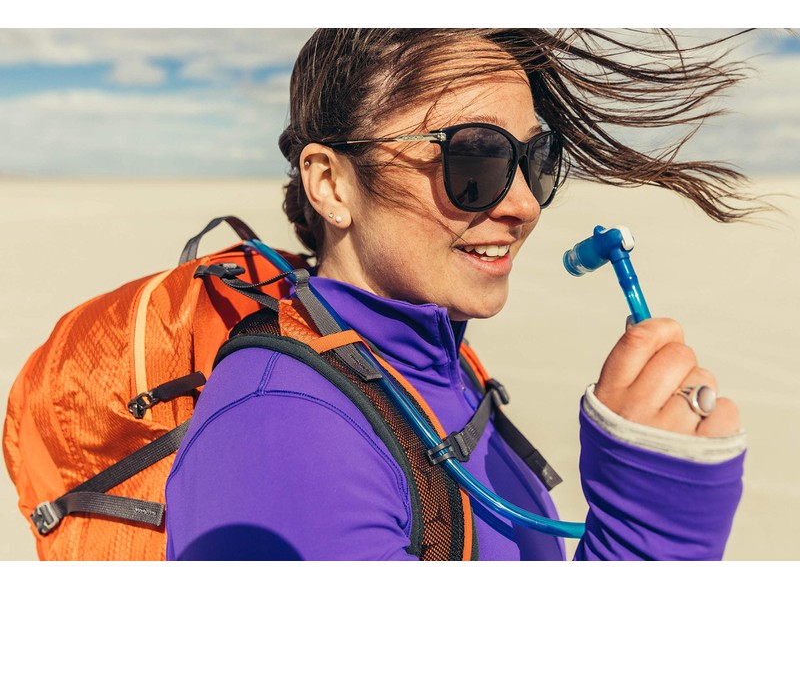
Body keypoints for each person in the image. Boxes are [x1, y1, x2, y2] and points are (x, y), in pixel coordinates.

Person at [164, 28, 755, 561]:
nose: (524, 205)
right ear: (332, 184)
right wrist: (645, 534)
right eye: (475, 158)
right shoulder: (280, 430)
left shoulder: (430, 361)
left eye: (536, 159)